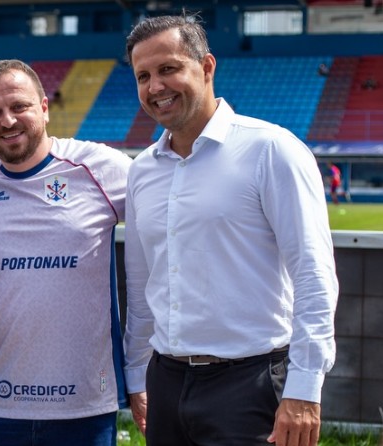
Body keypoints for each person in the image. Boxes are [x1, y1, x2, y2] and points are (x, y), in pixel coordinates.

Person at [123, 15, 338, 446]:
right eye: (143, 76)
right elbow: (143, 284)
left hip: (250, 384)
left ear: (206, 67)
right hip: (165, 381)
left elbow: (314, 276)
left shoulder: (271, 150)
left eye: (168, 69)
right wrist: (136, 373)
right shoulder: (142, 170)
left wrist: (304, 390)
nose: (155, 87)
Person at [0, 59, 131, 446]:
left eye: (20, 107)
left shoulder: (101, 168)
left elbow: (176, 222)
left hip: (84, 406)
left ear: (45, 108)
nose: (9, 121)